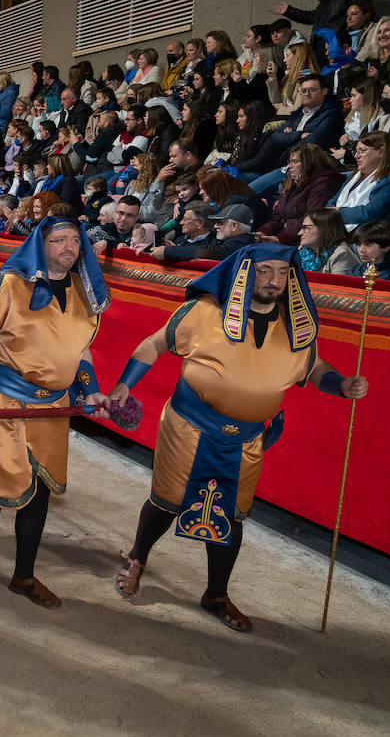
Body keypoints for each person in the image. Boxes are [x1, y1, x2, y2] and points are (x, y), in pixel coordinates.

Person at [109, 245, 368, 632]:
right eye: (265, 271)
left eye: (282, 273)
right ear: (245, 273)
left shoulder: (295, 325)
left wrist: (342, 384)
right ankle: (136, 558)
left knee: (232, 515)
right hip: (190, 426)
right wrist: (123, 387)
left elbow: (313, 368)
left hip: (247, 439)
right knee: (166, 501)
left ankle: (216, 594)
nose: (274, 281)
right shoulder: (204, 313)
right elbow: (153, 344)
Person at [0, 218, 111, 612]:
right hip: (4, 402)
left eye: (75, 240)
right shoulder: (10, 283)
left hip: (53, 409)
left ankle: (23, 575)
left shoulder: (82, 290)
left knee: (39, 494)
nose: (69, 247)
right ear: (40, 245)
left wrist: (91, 388)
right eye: (59, 240)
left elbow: (81, 351)